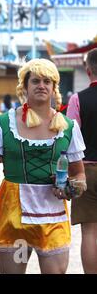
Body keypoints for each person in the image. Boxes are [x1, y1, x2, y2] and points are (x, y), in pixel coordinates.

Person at [0, 58, 86, 274]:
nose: (41, 86)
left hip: (53, 215)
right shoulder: (4, 123)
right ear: (24, 87)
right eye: (35, 81)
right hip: (14, 214)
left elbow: (79, 174)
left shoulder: (69, 127)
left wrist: (72, 188)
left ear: (54, 87)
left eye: (47, 81)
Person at [66, 47, 97, 274]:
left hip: (86, 171)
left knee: (90, 231)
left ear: (88, 71)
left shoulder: (77, 99)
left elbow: (70, 139)